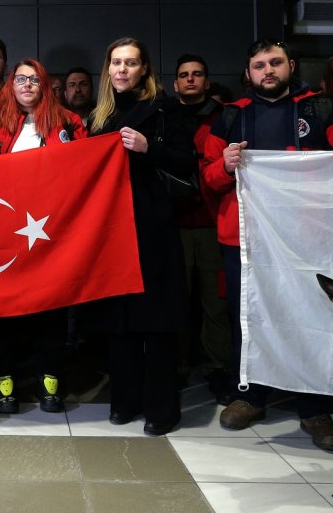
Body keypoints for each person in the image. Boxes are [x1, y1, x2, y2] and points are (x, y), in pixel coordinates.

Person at [201, 40, 333, 451]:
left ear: (291, 66)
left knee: (311, 317)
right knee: (247, 318)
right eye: (258, 65)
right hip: (245, 238)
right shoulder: (231, 116)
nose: (268, 70)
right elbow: (207, 178)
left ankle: (314, 408)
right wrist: (224, 165)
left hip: (308, 237)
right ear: (247, 74)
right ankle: (249, 395)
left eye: (275, 63)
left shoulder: (321, 110)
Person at [86, 37, 194, 436]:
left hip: (152, 228)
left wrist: (150, 148)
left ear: (144, 68)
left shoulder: (164, 108)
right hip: (111, 230)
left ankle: (162, 409)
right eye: (116, 62)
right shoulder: (100, 115)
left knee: (157, 322)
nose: (122, 70)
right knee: (120, 322)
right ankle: (125, 400)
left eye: (130, 63)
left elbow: (187, 163)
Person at [0, 58, 87, 414]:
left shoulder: (67, 121)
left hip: (49, 233)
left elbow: (82, 167)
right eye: (21, 79)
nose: (27, 85)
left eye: (35, 80)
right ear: (11, 85)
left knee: (51, 310)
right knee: (3, 311)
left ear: (45, 85)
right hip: (6, 233)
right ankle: (5, 382)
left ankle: (50, 382)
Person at [171, 54, 229, 398]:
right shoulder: (163, 116)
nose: (190, 80)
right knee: (177, 300)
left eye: (197, 74)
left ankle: (217, 367)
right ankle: (176, 364)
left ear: (207, 82)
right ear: (175, 83)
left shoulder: (226, 117)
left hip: (212, 221)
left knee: (214, 302)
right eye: (183, 75)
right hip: (173, 222)